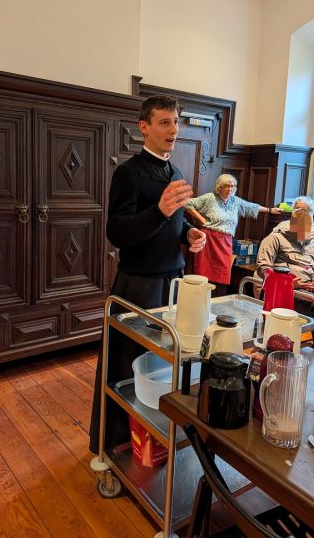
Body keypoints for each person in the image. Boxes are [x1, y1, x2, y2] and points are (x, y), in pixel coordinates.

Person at [89, 95, 206, 454]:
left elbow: (174, 223)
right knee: (128, 366)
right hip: (138, 285)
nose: (174, 129)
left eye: (176, 122)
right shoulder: (128, 173)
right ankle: (118, 442)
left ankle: (158, 438)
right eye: (165, 122)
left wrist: (189, 234)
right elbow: (117, 232)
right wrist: (159, 211)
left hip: (175, 283)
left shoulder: (176, 174)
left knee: (167, 365)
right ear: (144, 127)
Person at [185, 173, 281, 291]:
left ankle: (218, 299)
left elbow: (252, 207)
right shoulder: (210, 198)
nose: (230, 189)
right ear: (220, 186)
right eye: (227, 186)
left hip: (226, 242)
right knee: (204, 276)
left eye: (232, 186)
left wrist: (270, 210)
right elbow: (188, 203)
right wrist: (201, 219)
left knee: (222, 276)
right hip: (209, 241)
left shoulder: (236, 201)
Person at [255, 207, 314, 300]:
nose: (305, 231)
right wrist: (287, 283)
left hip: (311, 290)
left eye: (308, 227)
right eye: (302, 227)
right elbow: (263, 268)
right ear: (292, 225)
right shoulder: (275, 238)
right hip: (284, 289)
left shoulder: (310, 246)